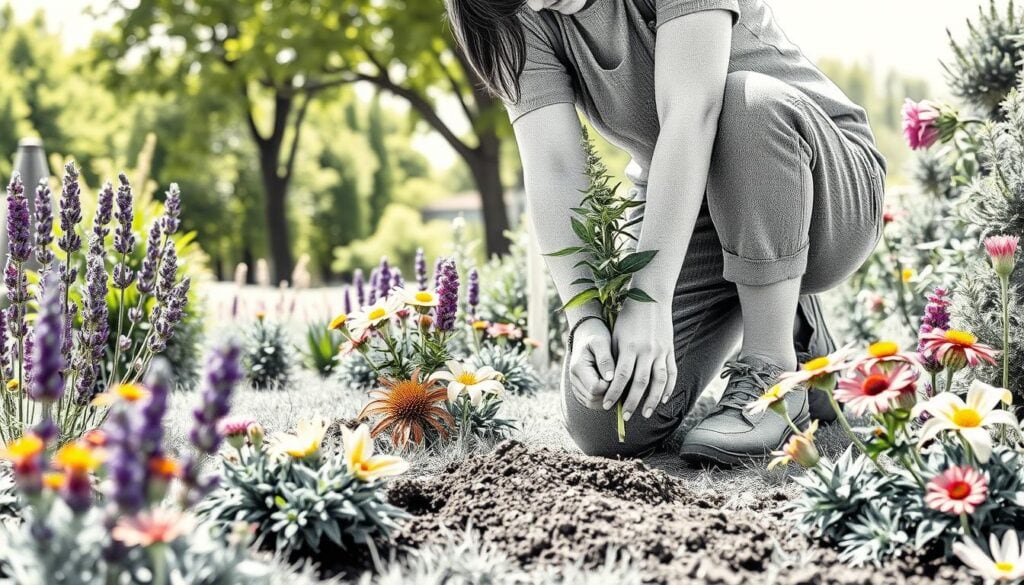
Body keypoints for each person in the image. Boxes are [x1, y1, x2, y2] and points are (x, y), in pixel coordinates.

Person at [444, 0, 885, 464]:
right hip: (690, 207)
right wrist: (587, 316)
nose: (532, 3)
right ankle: (804, 341)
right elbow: (554, 168)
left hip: (824, 190)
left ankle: (771, 364)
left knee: (743, 101)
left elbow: (692, 112)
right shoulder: (514, 14)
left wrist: (648, 295)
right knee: (609, 420)